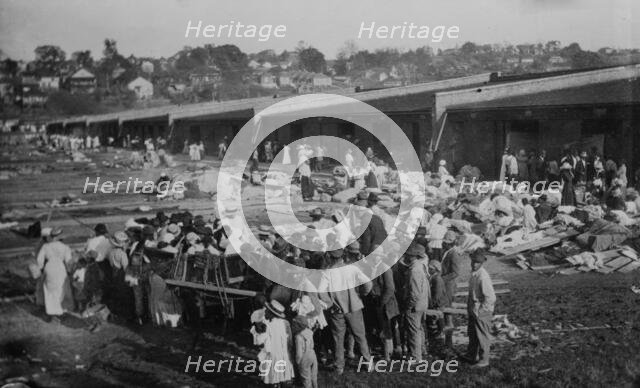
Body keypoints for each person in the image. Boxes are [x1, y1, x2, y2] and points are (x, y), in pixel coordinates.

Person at [319, 249, 372, 375]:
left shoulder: (327, 272)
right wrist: (361, 295)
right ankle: (368, 363)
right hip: (354, 306)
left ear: (330, 257)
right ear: (342, 256)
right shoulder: (352, 268)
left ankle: (339, 367)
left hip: (337, 310)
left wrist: (330, 304)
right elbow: (368, 284)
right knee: (360, 336)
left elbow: (321, 292)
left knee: (338, 338)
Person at [398, 243, 430, 361]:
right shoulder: (420, 266)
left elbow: (414, 293)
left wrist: (409, 305)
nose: (406, 256)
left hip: (415, 306)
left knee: (413, 331)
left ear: (412, 256)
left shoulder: (414, 271)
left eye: (407, 255)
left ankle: (416, 357)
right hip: (422, 304)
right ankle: (421, 351)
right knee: (419, 328)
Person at [465, 250, 496, 368]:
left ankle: (484, 360)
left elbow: (491, 298)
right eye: (473, 261)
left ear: (482, 263)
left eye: (477, 263)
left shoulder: (483, 276)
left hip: (481, 310)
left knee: (483, 336)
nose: (474, 264)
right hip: (474, 308)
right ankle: (471, 355)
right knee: (472, 334)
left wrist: (482, 311)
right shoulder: (474, 274)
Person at [36, 228, 74, 322]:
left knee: (50, 291)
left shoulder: (46, 246)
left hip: (49, 268)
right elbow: (69, 261)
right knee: (61, 289)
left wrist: (41, 269)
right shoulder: (65, 247)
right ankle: (61, 311)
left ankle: (50, 312)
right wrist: (69, 271)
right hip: (60, 268)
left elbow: (39, 261)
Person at [255, 300, 295, 386]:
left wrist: (258, 331)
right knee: (284, 377)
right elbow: (290, 341)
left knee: (273, 378)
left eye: (267, 310)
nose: (265, 311)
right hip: (284, 355)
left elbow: (259, 342)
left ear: (271, 313)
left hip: (273, 356)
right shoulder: (286, 323)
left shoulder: (267, 325)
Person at [293, 314, 318, 388]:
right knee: (314, 375)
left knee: (306, 377)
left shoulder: (298, 337)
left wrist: (297, 362)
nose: (293, 327)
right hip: (312, 354)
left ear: (298, 326)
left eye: (294, 325)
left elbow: (299, 353)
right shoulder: (309, 331)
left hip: (304, 357)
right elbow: (312, 344)